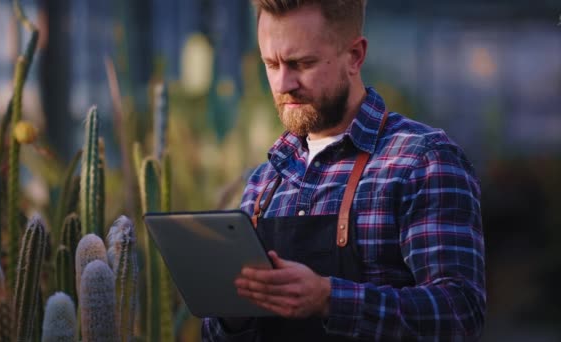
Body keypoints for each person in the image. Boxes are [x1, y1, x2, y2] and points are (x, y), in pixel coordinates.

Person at [202, 0, 486, 340]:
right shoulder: (265, 182)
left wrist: (328, 299)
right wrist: (232, 317)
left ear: (354, 56)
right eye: (271, 63)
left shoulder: (422, 160)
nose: (282, 83)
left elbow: (459, 314)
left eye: (301, 63)